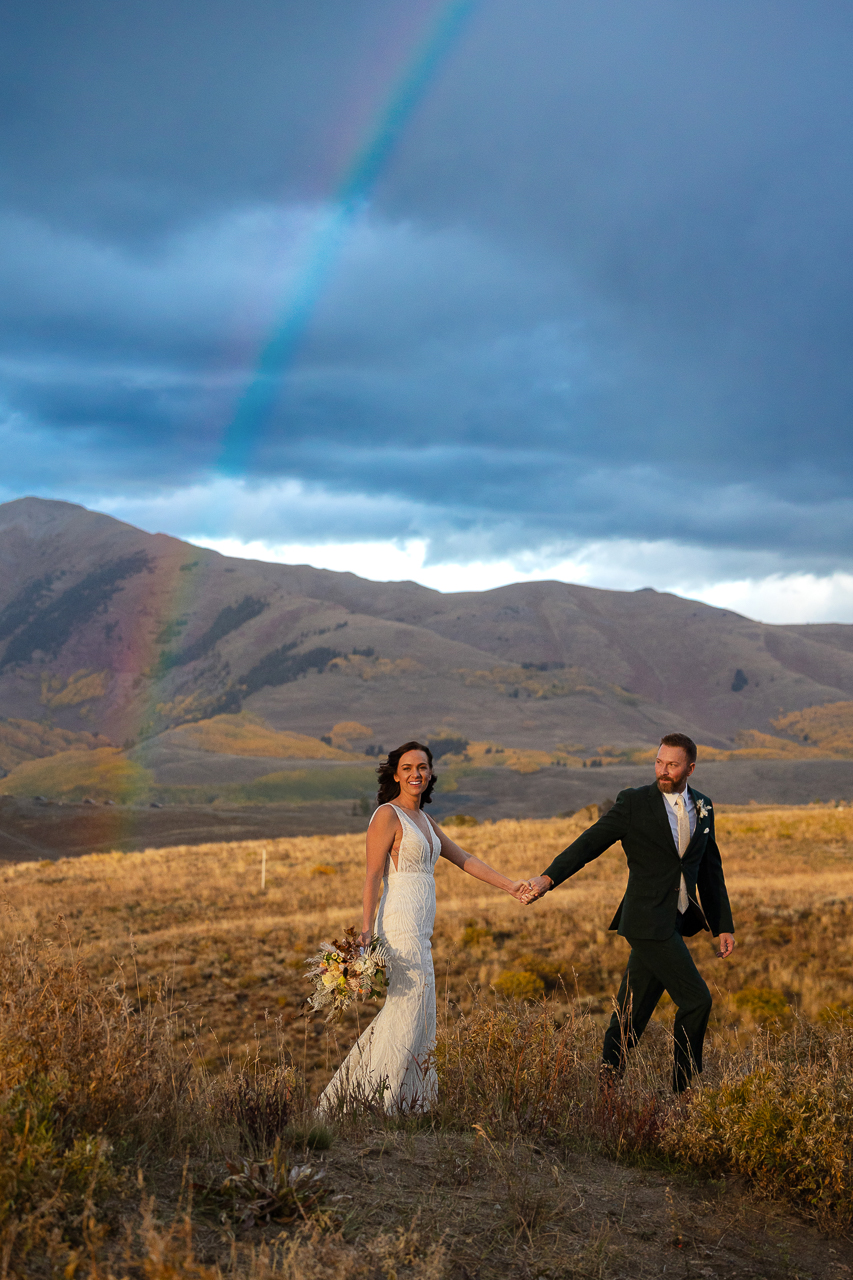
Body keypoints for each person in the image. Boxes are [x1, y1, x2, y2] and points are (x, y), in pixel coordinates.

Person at [317, 740, 528, 1115]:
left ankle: (409, 1103)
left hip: (422, 927)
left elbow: (464, 858)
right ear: (396, 774)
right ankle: (375, 1103)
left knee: (421, 1012)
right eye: (408, 768)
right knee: (409, 1008)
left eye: (423, 768)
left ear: (430, 774)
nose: (416, 774)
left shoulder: (426, 821)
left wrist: (510, 886)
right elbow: (371, 876)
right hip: (398, 924)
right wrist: (365, 933)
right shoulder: (387, 815)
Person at [523, 733, 735, 1092]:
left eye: (672, 764)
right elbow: (590, 842)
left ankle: (606, 1086)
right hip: (644, 921)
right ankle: (684, 1091)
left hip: (674, 920)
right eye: (658, 762)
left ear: (690, 768)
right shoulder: (634, 802)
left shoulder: (704, 806)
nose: (663, 770)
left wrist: (722, 925)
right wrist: (548, 878)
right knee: (697, 1000)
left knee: (630, 1016)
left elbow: (709, 870)